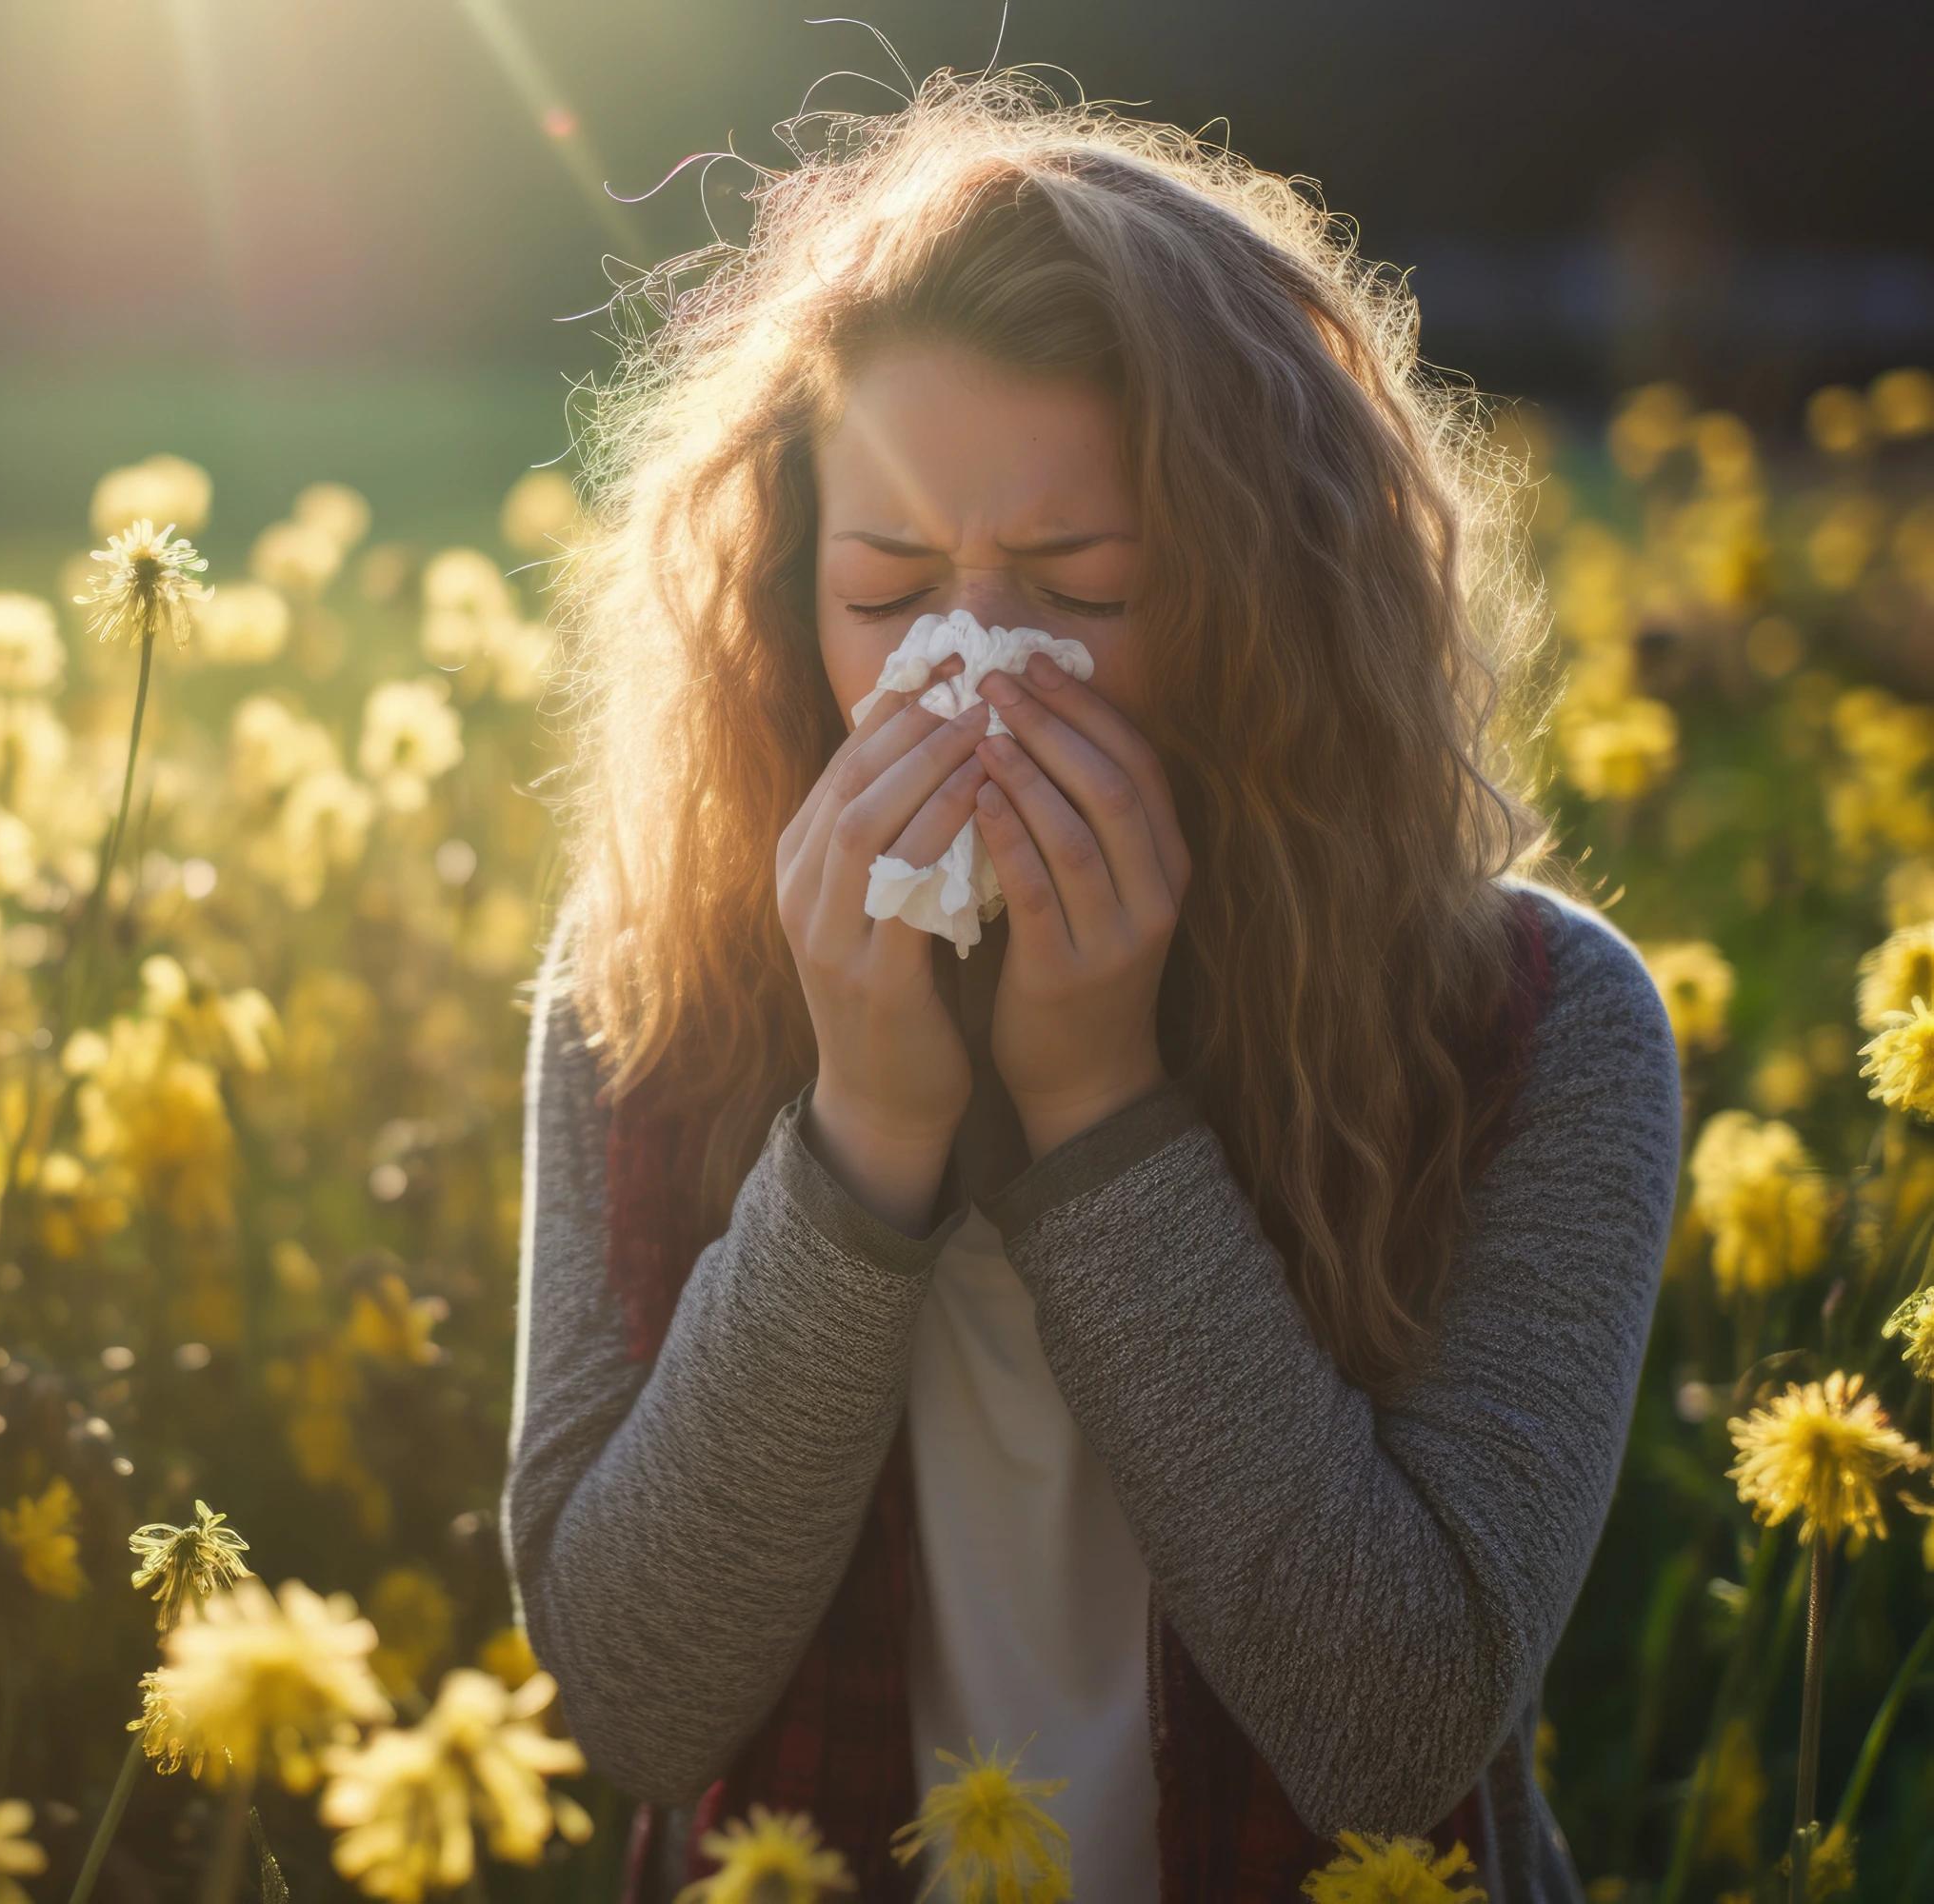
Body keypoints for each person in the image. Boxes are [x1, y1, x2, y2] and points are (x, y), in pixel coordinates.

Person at [500, 64, 1684, 1904]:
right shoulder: (646, 986)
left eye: (1080, 584)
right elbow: (640, 1706)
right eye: (891, 593)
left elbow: (1391, 1732)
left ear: (1266, 603)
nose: (974, 669)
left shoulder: (1537, 1032)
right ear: (786, 600)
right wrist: (867, 1129)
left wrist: (1100, 1102)